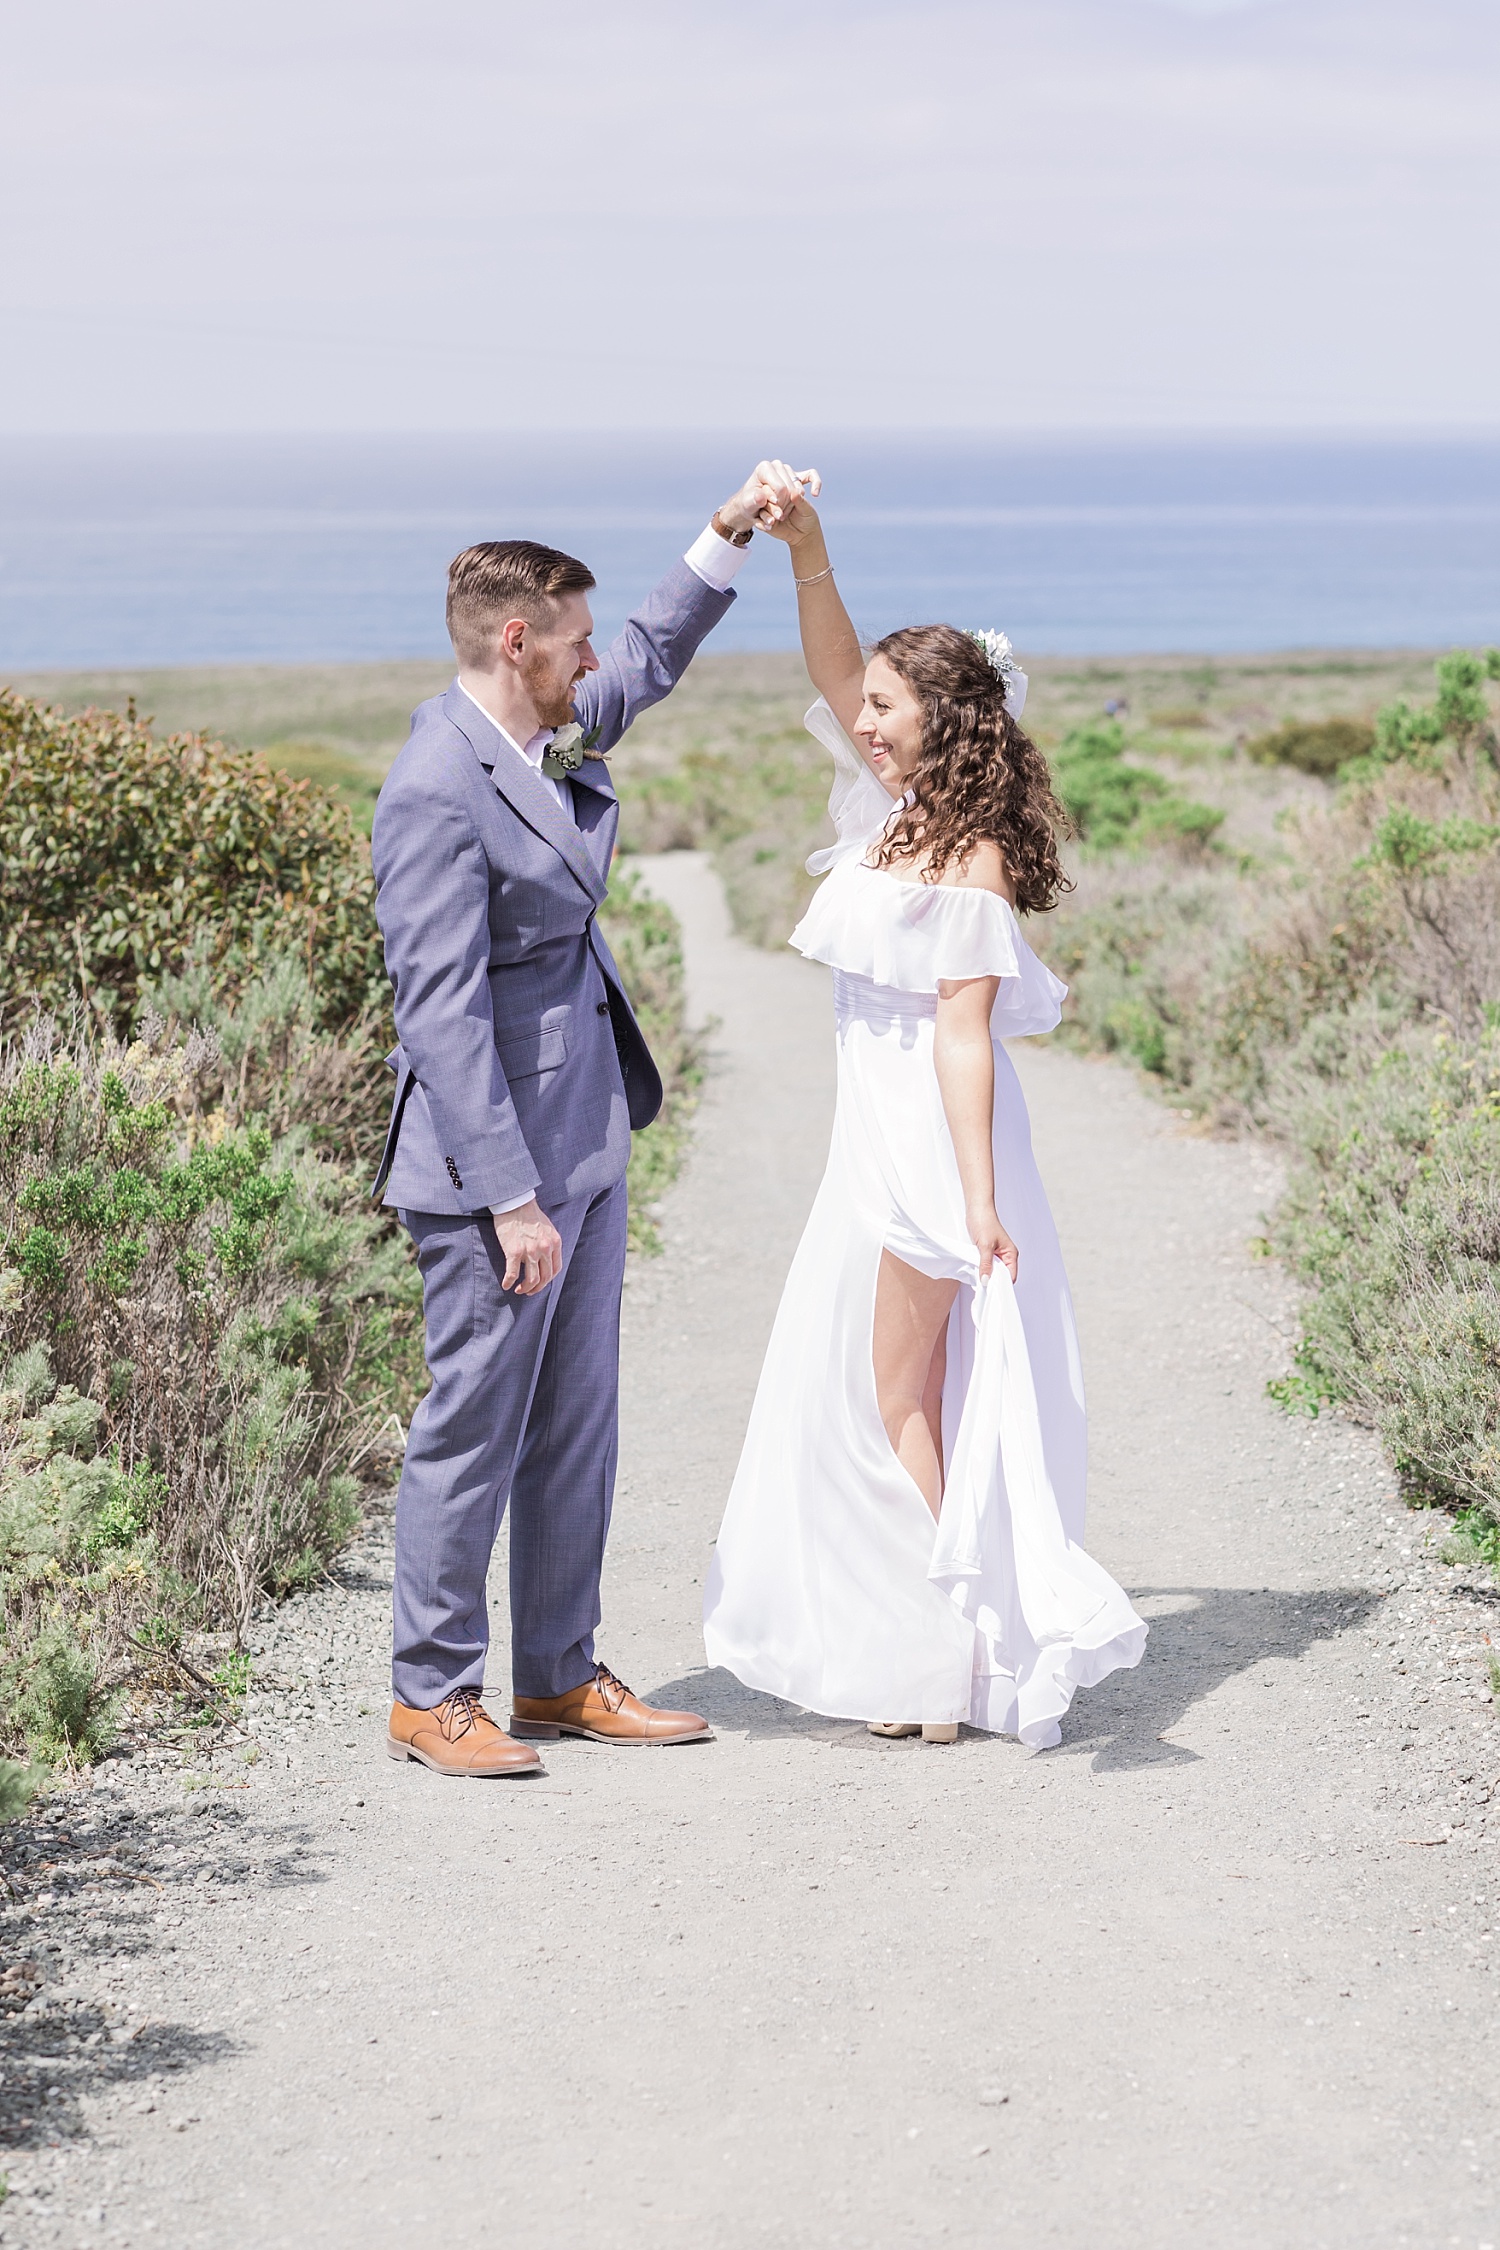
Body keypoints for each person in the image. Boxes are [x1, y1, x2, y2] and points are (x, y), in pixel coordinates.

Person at [703, 473, 1148, 1750]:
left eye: (887, 708)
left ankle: (936, 1668)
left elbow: (964, 1041)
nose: (862, 718)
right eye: (867, 709)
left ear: (936, 722)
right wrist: (811, 553)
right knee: (904, 1390)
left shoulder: (968, 858)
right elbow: (841, 660)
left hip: (926, 1143)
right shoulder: (896, 814)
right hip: (878, 1134)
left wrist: (979, 1202)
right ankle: (938, 1654)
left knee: (898, 1390)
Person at [374, 461, 800, 1778]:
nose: (589, 660)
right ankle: (431, 1692)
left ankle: (557, 1673)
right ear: (517, 642)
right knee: (474, 1421)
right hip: (488, 1168)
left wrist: (728, 531)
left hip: (589, 1130)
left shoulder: (546, 728)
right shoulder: (435, 783)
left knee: (576, 1423)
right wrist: (508, 1193)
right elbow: (439, 1011)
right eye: (571, 640)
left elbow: (656, 652)